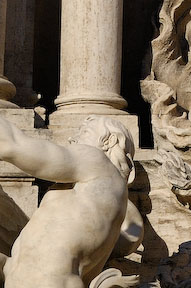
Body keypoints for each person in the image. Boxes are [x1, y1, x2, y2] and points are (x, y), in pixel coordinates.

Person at [0, 115, 142, 288]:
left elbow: (13, 145)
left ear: (108, 141)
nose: (72, 138)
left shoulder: (96, 161)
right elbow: (128, 241)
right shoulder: (117, 204)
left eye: (84, 132)